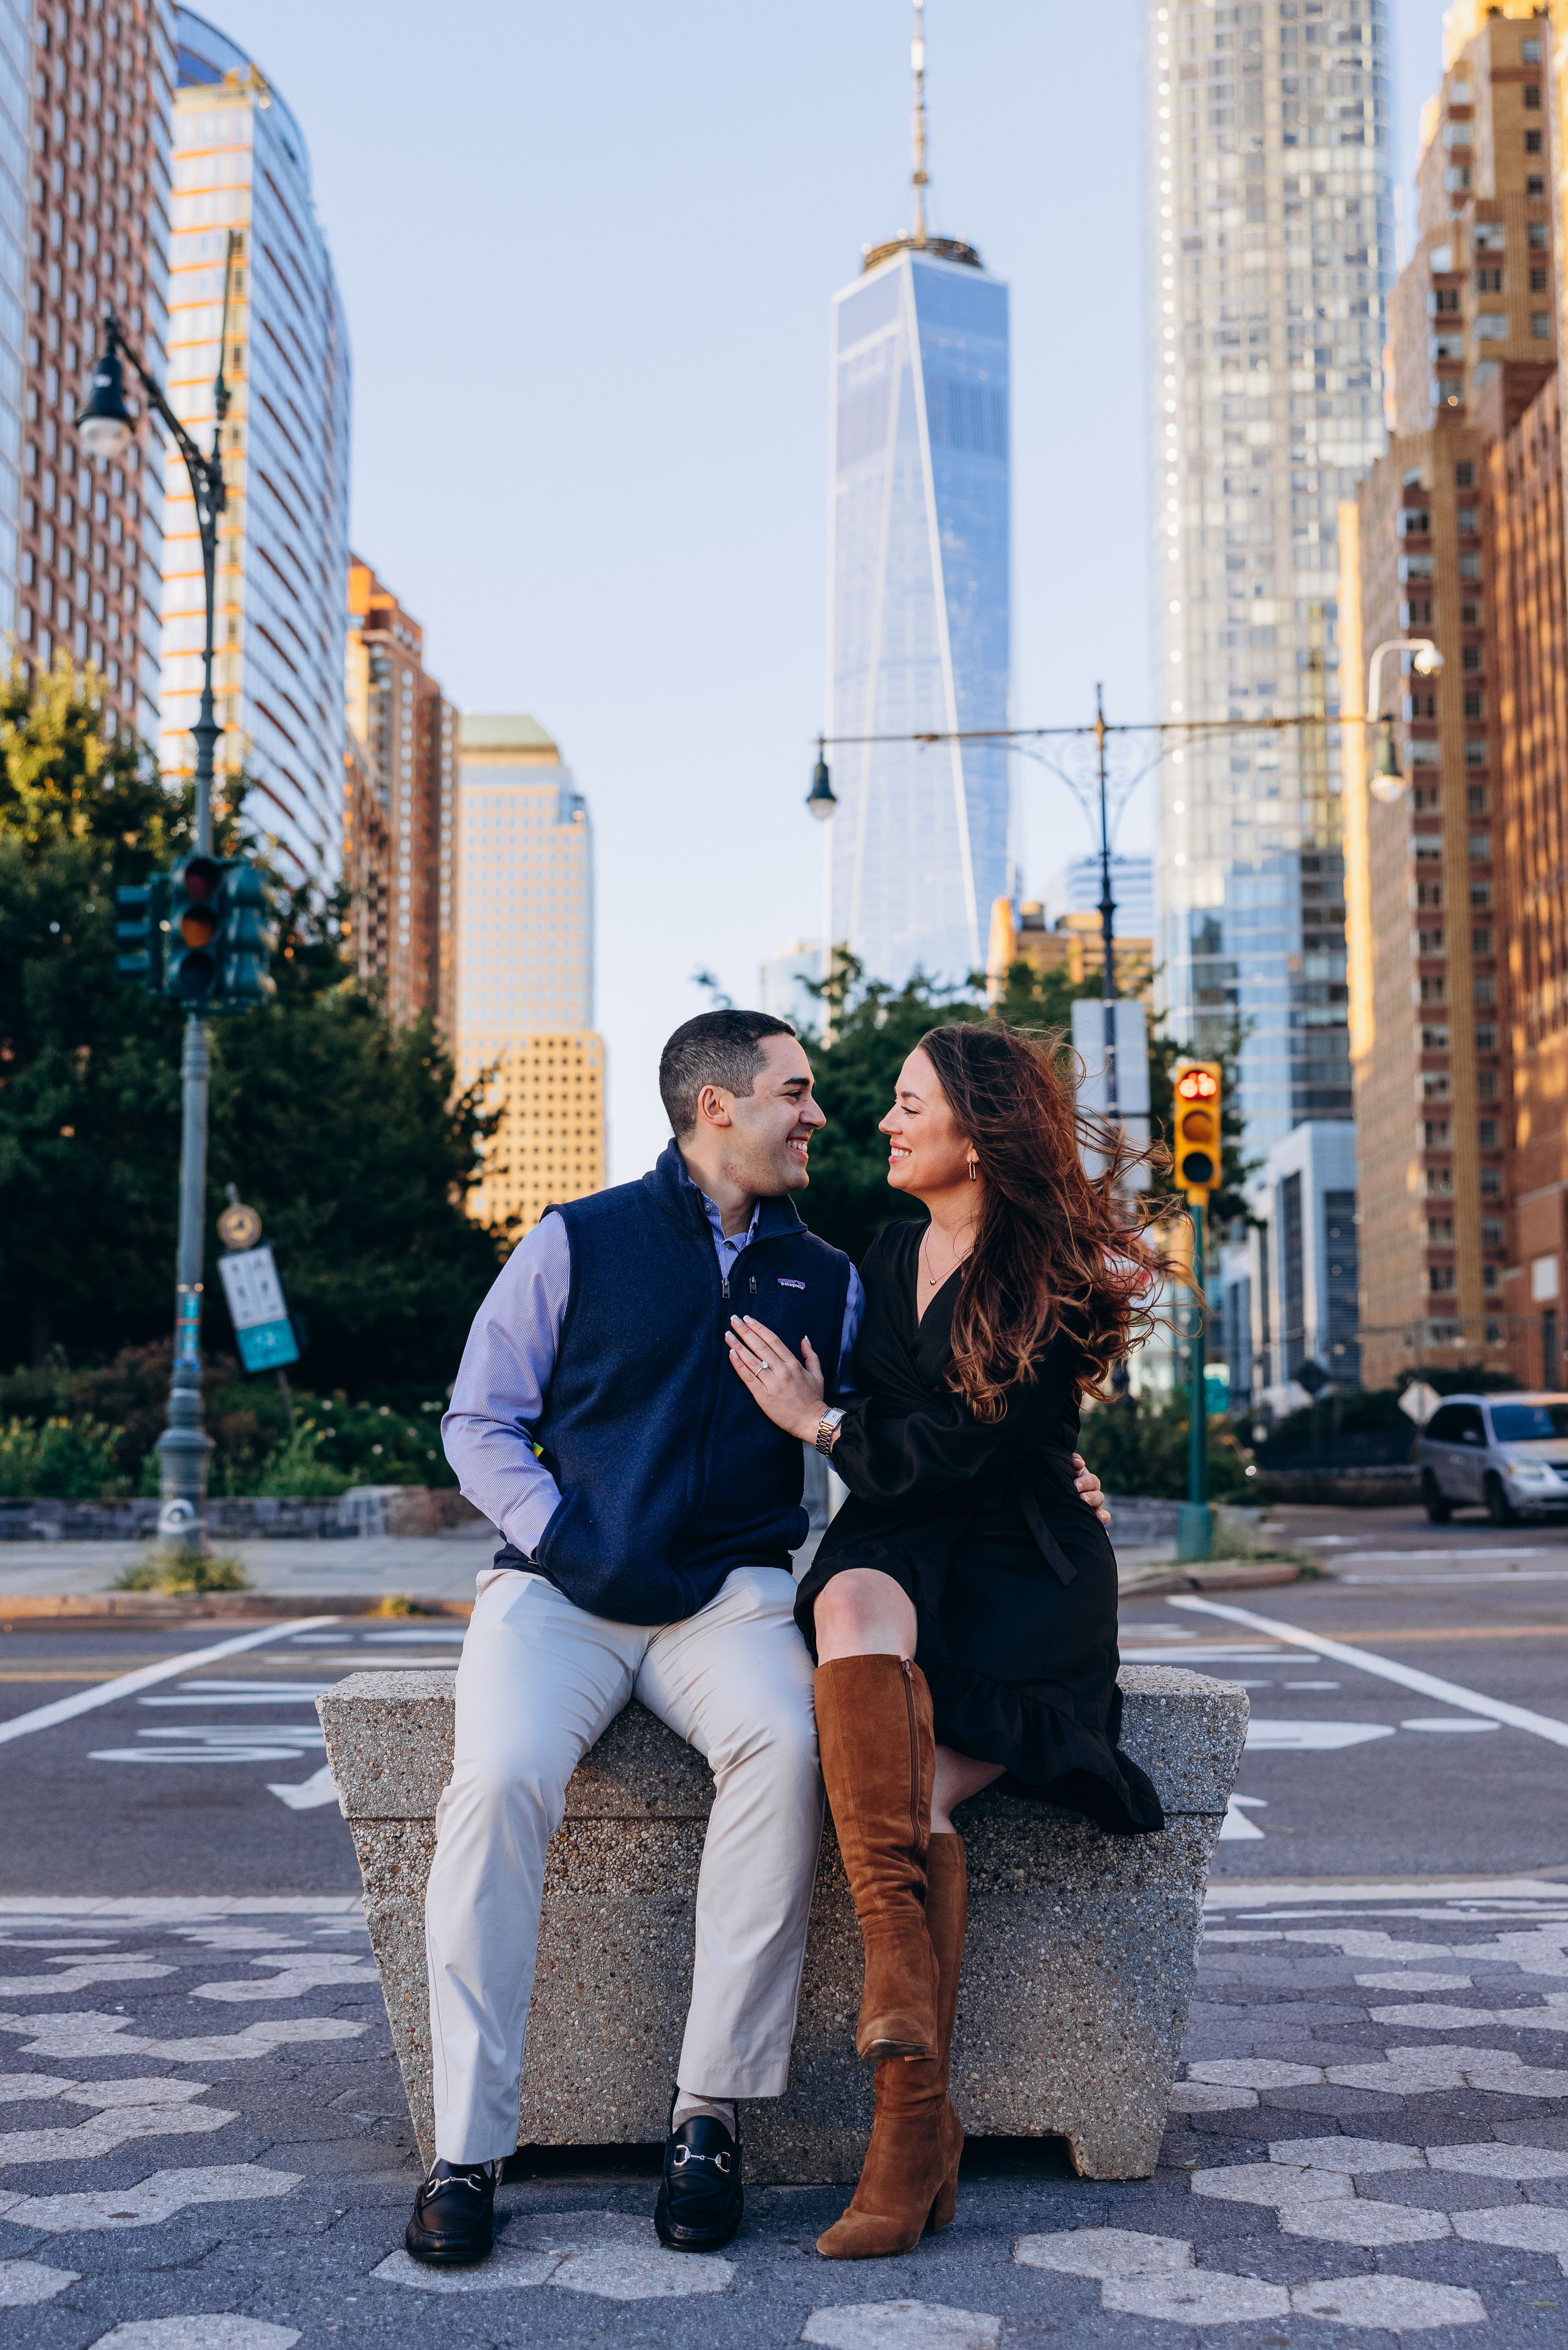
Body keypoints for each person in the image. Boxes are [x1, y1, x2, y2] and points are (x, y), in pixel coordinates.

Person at [410, 1007, 1110, 2269]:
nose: (821, 1114)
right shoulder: (576, 1240)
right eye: (796, 1091)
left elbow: (931, 1408)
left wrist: (1051, 1468)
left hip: (726, 1598)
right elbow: (478, 1419)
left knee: (792, 1750)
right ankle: (466, 2147)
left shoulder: (832, 1273)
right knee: (498, 1779)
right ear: (717, 1106)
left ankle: (708, 2117)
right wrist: (564, 1534)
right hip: (558, 1591)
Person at [725, 1019, 1165, 2263]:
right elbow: (895, 1425)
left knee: (910, 1797)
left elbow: (961, 1443)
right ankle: (908, 2045)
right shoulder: (883, 1250)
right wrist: (831, 1422)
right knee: (845, 1608)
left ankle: (908, 2128)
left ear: (977, 1133)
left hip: (1019, 1565)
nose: (884, 1121)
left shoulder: (1050, 1273)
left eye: (910, 1103)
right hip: (903, 1529)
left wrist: (819, 1424)